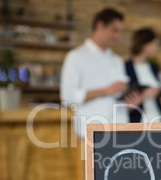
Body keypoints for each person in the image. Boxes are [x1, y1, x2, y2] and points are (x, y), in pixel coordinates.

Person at [60, 8, 142, 138]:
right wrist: (105, 90)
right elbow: (67, 97)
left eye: (120, 32)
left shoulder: (117, 61)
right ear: (100, 25)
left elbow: (116, 100)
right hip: (92, 134)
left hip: (120, 131)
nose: (117, 36)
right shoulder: (76, 56)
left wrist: (130, 104)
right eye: (114, 30)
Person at [125, 28, 161, 123]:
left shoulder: (154, 67)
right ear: (144, 45)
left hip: (157, 119)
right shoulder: (126, 67)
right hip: (138, 122)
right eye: (154, 44)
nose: (157, 48)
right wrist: (144, 95)